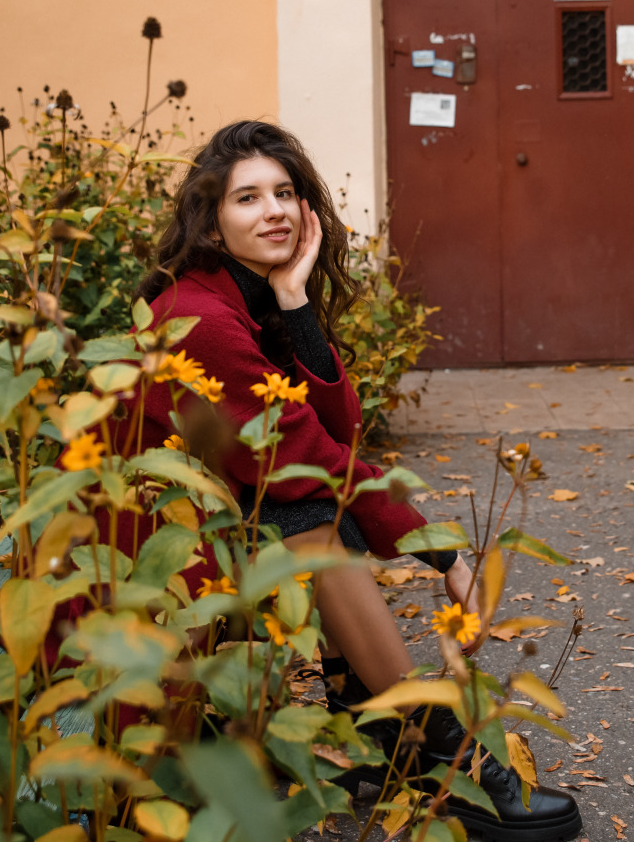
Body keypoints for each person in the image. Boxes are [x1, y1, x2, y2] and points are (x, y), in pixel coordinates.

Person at [107, 120, 580, 841]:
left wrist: (296, 303)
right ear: (210, 221)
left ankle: (378, 730)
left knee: (318, 508)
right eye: (247, 198)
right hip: (148, 547)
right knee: (311, 521)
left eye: (286, 193)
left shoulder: (250, 296)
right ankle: (440, 758)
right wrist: (443, 554)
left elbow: (338, 427)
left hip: (206, 519)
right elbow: (304, 455)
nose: (275, 211)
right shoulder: (200, 319)